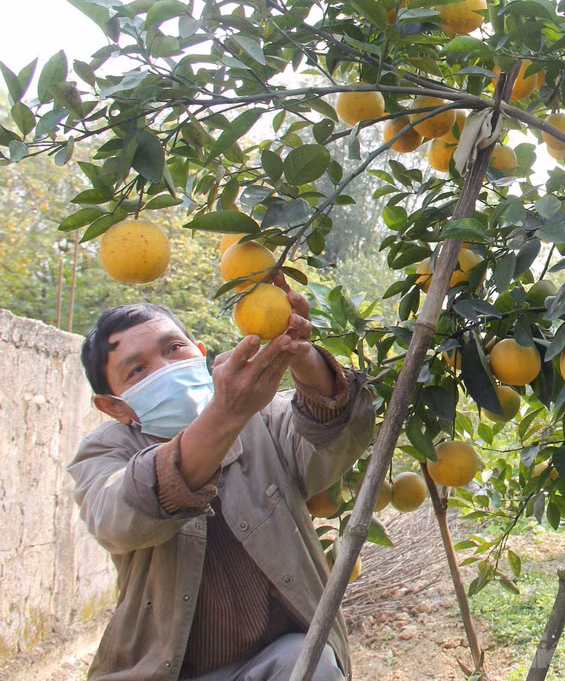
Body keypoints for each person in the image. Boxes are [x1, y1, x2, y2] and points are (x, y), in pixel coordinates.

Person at [68, 279, 374, 681]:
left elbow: (333, 435)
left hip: (279, 661)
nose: (166, 369)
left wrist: (303, 356)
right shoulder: (104, 452)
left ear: (199, 352)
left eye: (173, 349)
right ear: (114, 406)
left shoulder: (261, 417)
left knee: (310, 662)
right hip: (173, 673)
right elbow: (118, 517)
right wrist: (225, 415)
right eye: (138, 370)